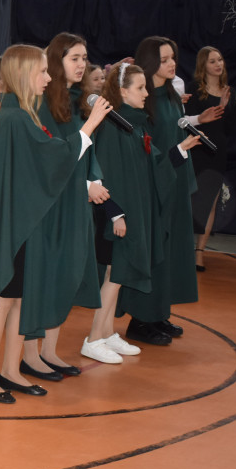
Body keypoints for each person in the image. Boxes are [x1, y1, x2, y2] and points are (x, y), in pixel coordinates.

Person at [0, 45, 110, 404]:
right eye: (42, 72)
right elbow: (50, 157)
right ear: (25, 73)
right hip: (12, 223)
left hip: (25, 221)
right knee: (3, 300)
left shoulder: (24, 112)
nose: (47, 78)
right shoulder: (15, 115)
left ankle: (11, 370)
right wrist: (88, 126)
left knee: (19, 300)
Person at [83, 63, 200, 363]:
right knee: (112, 272)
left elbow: (153, 167)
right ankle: (93, 338)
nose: (147, 93)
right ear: (122, 91)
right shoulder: (110, 125)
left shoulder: (134, 124)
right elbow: (101, 174)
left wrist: (182, 149)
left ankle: (107, 333)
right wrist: (114, 213)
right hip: (115, 214)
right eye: (140, 88)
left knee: (118, 275)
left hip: (131, 212)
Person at [120, 37, 199, 346]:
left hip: (175, 181)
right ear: (151, 61)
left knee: (170, 252)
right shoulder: (144, 100)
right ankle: (141, 319)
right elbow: (144, 149)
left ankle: (158, 313)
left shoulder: (171, 96)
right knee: (153, 250)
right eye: (165, 59)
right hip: (153, 185)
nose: (172, 63)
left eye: (173, 58)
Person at [184, 46, 236, 271]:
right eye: (213, 61)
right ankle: (179, 247)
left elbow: (229, 129)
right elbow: (187, 122)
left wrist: (235, 105)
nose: (218, 64)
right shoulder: (194, 89)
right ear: (204, 65)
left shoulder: (228, 90)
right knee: (188, 200)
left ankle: (199, 252)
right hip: (195, 149)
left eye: (220, 60)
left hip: (216, 152)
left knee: (210, 202)